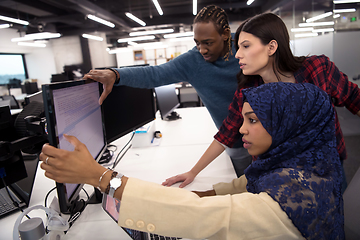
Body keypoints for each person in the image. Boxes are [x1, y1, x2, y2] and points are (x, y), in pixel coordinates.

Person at [40, 82, 344, 239]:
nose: (241, 129)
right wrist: (205, 192)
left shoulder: (286, 207)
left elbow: (204, 216)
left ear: (286, 124)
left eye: (252, 120)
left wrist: (102, 177)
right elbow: (249, 182)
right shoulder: (308, 163)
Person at [162, 12, 360, 189]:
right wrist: (193, 172)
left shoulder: (317, 69)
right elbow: (226, 134)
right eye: (238, 47)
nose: (237, 54)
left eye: (246, 46)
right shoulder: (249, 91)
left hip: (326, 168)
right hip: (281, 177)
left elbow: (355, 99)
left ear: (271, 46)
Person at [84, 5, 252, 179]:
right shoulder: (192, 61)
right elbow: (154, 74)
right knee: (247, 189)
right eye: (197, 43)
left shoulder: (246, 49)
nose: (202, 50)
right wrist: (116, 74)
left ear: (225, 34)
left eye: (208, 42)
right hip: (234, 142)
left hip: (268, 136)